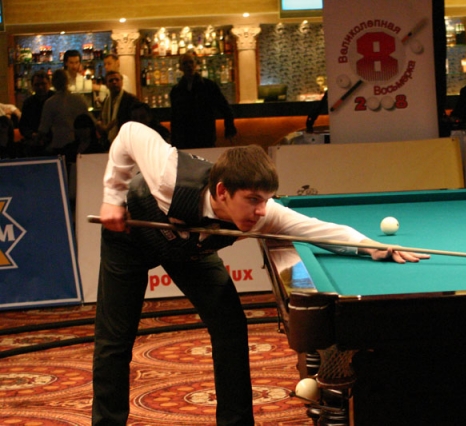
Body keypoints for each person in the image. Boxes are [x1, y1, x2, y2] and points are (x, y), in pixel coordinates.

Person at [92, 121, 428, 426]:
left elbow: (319, 231)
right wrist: (113, 197)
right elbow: (130, 132)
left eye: (266, 200)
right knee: (115, 339)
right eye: (253, 199)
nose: (261, 211)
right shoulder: (169, 177)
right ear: (222, 192)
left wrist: (371, 246)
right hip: (129, 236)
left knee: (231, 327)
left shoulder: (264, 213)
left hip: (190, 252)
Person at [170, 52, 237, 149]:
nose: (189, 65)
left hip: (204, 134)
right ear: (180, 68)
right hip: (185, 137)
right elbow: (175, 117)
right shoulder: (177, 90)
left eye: (191, 62)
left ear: (195, 65)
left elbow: (224, 107)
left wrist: (229, 127)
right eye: (185, 63)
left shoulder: (208, 86)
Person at [38, 69, 90, 161]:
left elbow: (43, 129)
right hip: (78, 145)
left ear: (52, 83)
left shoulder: (50, 103)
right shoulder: (79, 100)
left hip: (59, 144)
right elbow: (90, 120)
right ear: (67, 81)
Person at [19, 71, 55, 157]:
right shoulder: (28, 103)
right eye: (37, 85)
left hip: (54, 141)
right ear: (32, 86)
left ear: (49, 84)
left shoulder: (55, 100)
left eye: (43, 84)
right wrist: (32, 135)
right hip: (34, 142)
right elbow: (23, 126)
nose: (40, 87)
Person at [98, 71, 138, 144]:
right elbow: (101, 118)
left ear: (122, 82)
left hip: (127, 140)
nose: (114, 82)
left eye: (117, 80)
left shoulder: (131, 99)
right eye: (111, 80)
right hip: (109, 142)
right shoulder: (106, 101)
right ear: (106, 85)